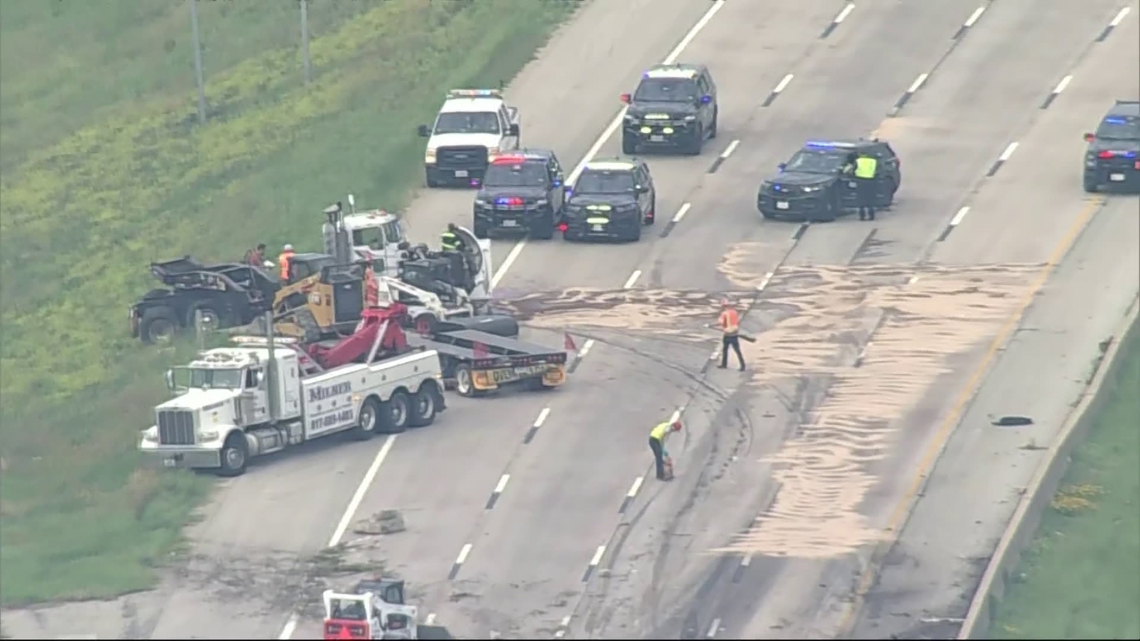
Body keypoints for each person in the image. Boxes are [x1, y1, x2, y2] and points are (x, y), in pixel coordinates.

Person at [846, 151, 879, 221]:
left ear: (860, 154)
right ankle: (871, 216)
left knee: (861, 199)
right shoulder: (873, 161)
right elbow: (878, 171)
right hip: (871, 181)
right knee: (870, 198)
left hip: (860, 181)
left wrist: (852, 176)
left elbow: (851, 170)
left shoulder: (858, 161)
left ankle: (862, 216)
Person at [717, 298, 745, 371]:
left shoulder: (724, 314)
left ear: (723, 306)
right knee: (737, 350)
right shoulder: (734, 312)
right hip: (734, 334)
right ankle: (743, 365)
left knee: (725, 349)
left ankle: (724, 364)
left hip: (727, 334)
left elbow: (721, 322)